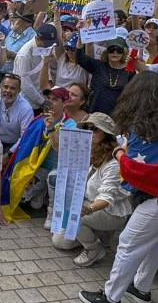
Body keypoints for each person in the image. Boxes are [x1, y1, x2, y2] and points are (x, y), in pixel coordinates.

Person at [80, 71, 158, 303]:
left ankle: (111, 297)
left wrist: (118, 153)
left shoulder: (144, 127)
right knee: (155, 241)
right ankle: (141, 288)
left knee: (128, 242)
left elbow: (133, 170)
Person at [50, 112, 132, 266]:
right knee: (59, 241)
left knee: (76, 218)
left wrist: (87, 209)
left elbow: (107, 198)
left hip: (110, 211)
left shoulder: (113, 162)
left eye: (94, 129)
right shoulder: (87, 149)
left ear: (106, 134)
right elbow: (60, 151)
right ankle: (97, 234)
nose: (89, 131)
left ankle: (94, 249)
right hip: (90, 203)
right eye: (86, 127)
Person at [76, 38, 133, 115]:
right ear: (106, 52)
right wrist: (80, 37)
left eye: (119, 50)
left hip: (117, 116)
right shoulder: (98, 66)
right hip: (94, 114)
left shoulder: (129, 72)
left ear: (124, 53)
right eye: (111, 49)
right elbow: (80, 58)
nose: (115, 52)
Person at [0, 73, 33, 151]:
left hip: (13, 146)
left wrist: (9, 154)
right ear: (0, 87)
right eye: (5, 87)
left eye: (12, 88)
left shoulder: (26, 109)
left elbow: (25, 137)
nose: (8, 91)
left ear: (19, 91)